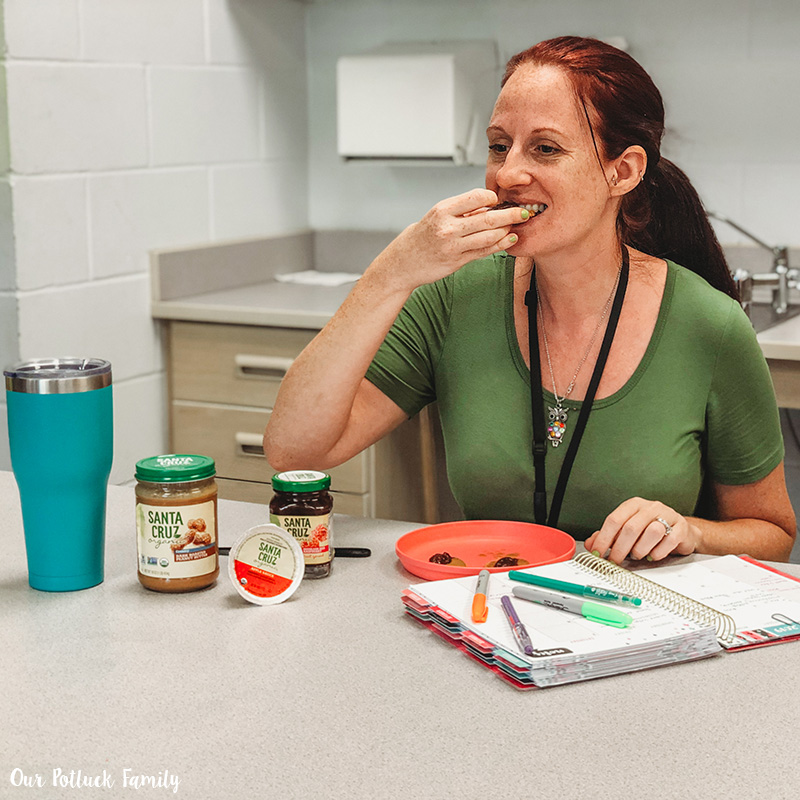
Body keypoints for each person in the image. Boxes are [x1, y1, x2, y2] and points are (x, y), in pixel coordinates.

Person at [264, 36, 796, 564]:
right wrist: (389, 275)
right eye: (499, 146)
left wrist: (692, 532)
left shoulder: (709, 324)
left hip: (637, 627)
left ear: (624, 171)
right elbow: (296, 453)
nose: (508, 175)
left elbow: (773, 532)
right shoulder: (453, 297)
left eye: (545, 148)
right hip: (482, 616)